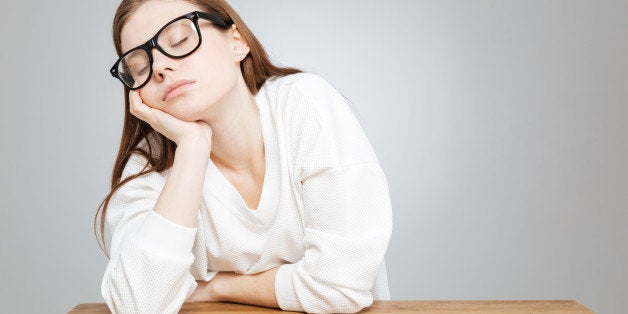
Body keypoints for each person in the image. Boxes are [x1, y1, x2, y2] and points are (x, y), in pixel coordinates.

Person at [95, 0, 393, 312]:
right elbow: (137, 305)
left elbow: (340, 287)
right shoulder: (147, 169)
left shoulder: (304, 104)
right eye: (140, 67)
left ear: (237, 42)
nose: (159, 68)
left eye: (180, 40)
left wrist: (216, 287)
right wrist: (193, 147)